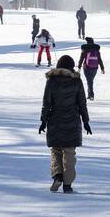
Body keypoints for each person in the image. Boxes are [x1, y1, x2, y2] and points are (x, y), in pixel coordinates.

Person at [39, 54, 91, 193]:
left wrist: (43, 121)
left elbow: (46, 103)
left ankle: (57, 175)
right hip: (72, 121)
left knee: (56, 150)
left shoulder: (51, 81)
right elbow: (82, 103)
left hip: (55, 120)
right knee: (69, 153)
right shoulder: (77, 81)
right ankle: (67, 184)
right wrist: (86, 121)